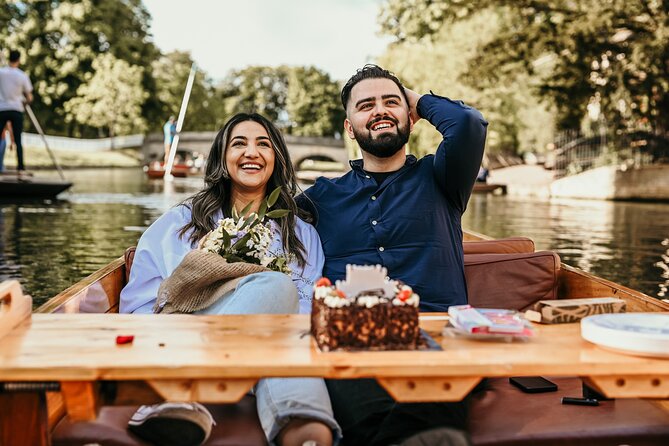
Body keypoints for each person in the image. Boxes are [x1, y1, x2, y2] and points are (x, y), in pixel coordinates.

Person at [121, 113, 341, 446]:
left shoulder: (303, 235)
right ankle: (174, 390)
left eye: (263, 144)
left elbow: (304, 315)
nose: (251, 152)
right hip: (182, 342)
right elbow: (140, 304)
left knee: (314, 430)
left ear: (276, 159)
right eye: (239, 143)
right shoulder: (181, 223)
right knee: (276, 285)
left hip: (275, 349)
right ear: (223, 159)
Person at [297, 65, 487, 445]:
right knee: (400, 422)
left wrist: (416, 99)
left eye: (391, 103)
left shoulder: (443, 179)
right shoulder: (320, 198)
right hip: (353, 340)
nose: (380, 110)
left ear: (410, 118)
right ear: (349, 128)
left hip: (439, 339)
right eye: (366, 105)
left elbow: (467, 123)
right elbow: (254, 217)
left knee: (434, 410)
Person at [0, 50, 33, 175]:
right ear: (19, 60)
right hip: (16, 109)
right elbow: (29, 97)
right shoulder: (22, 75)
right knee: (18, 141)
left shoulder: (1, 73)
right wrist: (23, 103)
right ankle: (20, 169)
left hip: (2, 109)